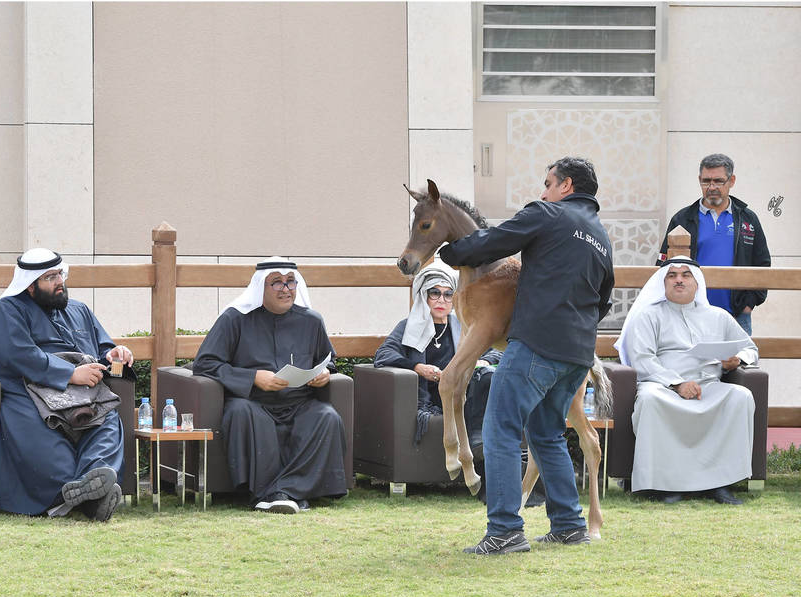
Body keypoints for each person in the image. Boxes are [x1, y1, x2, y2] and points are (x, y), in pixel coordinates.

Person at [438, 156, 614, 554]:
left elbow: (494, 241)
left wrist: (451, 254)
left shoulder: (548, 214)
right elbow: (603, 299)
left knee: (501, 427)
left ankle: (504, 530)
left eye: (548, 183)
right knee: (547, 434)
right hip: (578, 352)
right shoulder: (600, 236)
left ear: (566, 186)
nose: (543, 191)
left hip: (536, 344)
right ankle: (569, 525)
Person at [0, 249, 134, 521]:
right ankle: (77, 496)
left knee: (106, 420)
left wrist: (114, 355)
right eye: (50, 277)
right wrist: (70, 374)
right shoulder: (6, 310)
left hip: (83, 392)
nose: (60, 282)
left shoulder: (79, 310)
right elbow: (19, 355)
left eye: (60, 274)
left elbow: (102, 349)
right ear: (30, 286)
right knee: (40, 434)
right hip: (25, 387)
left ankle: (95, 483)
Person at [193, 257, 347, 514]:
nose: (285, 289)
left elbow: (326, 361)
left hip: (298, 402)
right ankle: (287, 492)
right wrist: (253, 378)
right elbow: (205, 364)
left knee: (327, 417)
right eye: (276, 283)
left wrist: (324, 375)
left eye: (290, 282)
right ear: (260, 288)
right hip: (253, 401)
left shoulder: (311, 321)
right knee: (243, 414)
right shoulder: (234, 319)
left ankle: (280, 493)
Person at [613, 257, 757, 505]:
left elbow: (750, 348)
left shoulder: (719, 316)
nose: (679, 280)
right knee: (649, 401)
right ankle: (664, 486)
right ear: (664, 283)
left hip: (708, 386)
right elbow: (642, 359)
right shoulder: (649, 315)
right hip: (662, 387)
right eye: (672, 275)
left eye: (685, 275)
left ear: (697, 283)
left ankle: (720, 484)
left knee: (740, 397)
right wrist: (677, 384)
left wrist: (738, 360)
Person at [373, 261, 515, 496]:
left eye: (448, 294)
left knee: (488, 375)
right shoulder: (409, 326)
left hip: (465, 396)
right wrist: (418, 367)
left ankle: (479, 444)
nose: (442, 300)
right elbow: (383, 354)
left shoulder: (464, 325)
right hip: (430, 399)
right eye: (435, 293)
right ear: (424, 297)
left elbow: (495, 348)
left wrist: (481, 361)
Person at [658, 153, 770, 335]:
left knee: (738, 362)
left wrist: (750, 303)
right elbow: (663, 264)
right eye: (706, 181)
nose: (711, 187)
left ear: (731, 181)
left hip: (736, 316)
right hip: (690, 315)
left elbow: (762, 263)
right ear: (699, 180)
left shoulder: (747, 219)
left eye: (718, 181)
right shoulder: (682, 219)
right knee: (692, 363)